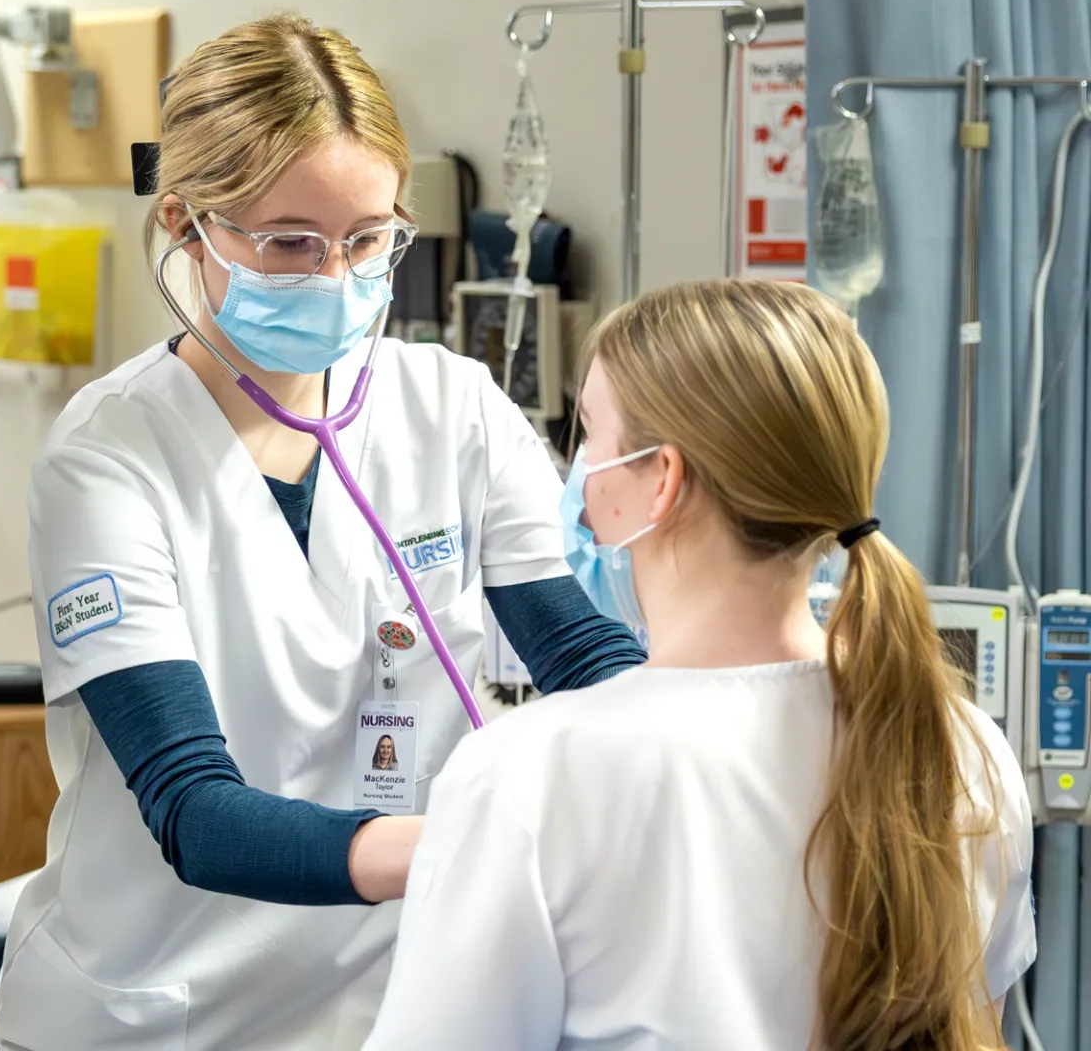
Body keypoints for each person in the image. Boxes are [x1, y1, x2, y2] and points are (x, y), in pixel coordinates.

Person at [0, 15, 645, 1051]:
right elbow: (194, 809)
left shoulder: (456, 410)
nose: (335, 274)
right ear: (187, 225)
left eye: (370, 237)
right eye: (290, 241)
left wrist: (694, 748)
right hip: (163, 1012)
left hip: (394, 1005)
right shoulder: (108, 456)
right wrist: (459, 852)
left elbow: (583, 650)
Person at [368, 279, 1036, 1048]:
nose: (577, 473)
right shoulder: (963, 748)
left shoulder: (527, 777)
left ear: (663, 481)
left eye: (590, 434)